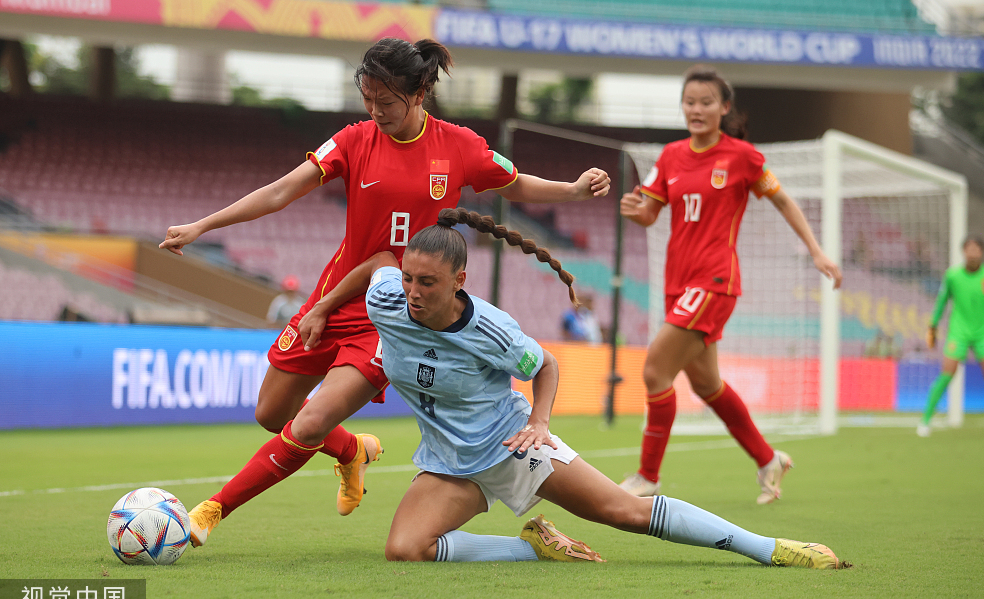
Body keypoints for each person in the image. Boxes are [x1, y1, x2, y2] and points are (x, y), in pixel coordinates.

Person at [158, 37, 611, 546]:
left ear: (419, 93)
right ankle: (352, 451)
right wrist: (203, 226)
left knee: (308, 422)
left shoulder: (458, 145)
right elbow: (281, 190)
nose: (375, 111)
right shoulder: (354, 139)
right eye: (367, 100)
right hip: (335, 294)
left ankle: (209, 513)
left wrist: (572, 189)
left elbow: (515, 184)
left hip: (397, 313)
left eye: (386, 102)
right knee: (271, 413)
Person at [322, 207, 845, 568]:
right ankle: (536, 549)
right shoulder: (387, 298)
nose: (412, 291)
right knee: (405, 550)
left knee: (624, 511)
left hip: (510, 447)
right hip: (448, 462)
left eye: (427, 282)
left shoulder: (491, 329)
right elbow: (376, 267)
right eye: (410, 278)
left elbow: (545, 364)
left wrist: (539, 423)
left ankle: (769, 548)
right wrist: (322, 309)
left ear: (460, 279)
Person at [619, 65, 842, 504]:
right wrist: (635, 208)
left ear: (724, 108)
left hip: (715, 280)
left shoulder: (742, 157)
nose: (696, 110)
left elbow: (782, 199)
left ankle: (648, 477)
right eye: (690, 102)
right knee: (707, 386)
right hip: (676, 283)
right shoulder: (669, 157)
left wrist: (816, 250)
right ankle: (767, 459)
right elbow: (649, 214)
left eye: (706, 102)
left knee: (655, 371)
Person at [919, 236, 984, 438]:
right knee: (946, 375)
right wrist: (932, 326)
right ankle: (925, 421)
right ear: (963, 252)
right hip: (958, 332)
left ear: (982, 252)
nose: (972, 253)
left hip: (983, 333)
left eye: (976, 249)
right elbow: (941, 302)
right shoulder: (953, 276)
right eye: (968, 249)